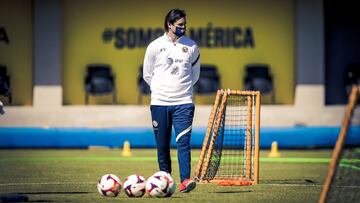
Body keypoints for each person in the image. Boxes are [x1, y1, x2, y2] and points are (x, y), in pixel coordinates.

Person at [143, 8, 200, 193]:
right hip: (159, 103)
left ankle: (185, 181)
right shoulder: (154, 46)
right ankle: (164, 181)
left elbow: (195, 75)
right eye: (180, 25)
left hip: (184, 103)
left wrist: (181, 91)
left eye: (185, 24)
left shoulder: (192, 47)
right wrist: (161, 91)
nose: (183, 27)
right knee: (162, 145)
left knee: (183, 142)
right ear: (169, 24)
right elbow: (147, 75)